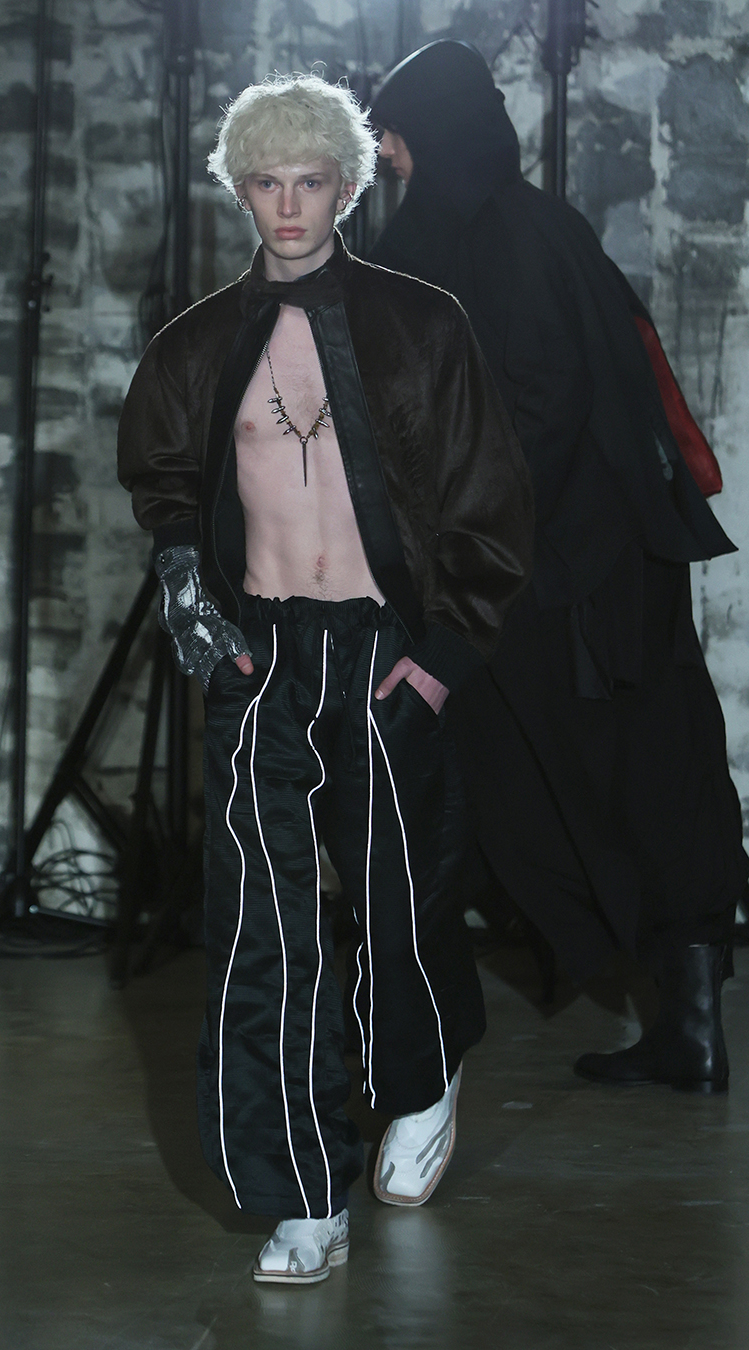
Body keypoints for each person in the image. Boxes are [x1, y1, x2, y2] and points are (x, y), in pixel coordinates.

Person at [117, 73, 532, 1283]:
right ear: (240, 190)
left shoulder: (424, 324)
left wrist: (443, 659)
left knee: (402, 898)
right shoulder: (196, 344)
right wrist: (201, 617)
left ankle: (422, 1073)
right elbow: (164, 492)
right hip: (263, 660)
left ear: (347, 188)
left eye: (310, 181)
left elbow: (489, 496)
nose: (289, 205)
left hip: (385, 650)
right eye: (267, 182)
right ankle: (303, 1191)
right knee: (264, 929)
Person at [370, 40, 748, 1094]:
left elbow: (543, 404)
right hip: (590, 566)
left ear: (435, 133)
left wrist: (455, 529)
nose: (387, 155)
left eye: (395, 134)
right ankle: (690, 1030)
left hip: (566, 578)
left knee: (599, 781)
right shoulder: (522, 225)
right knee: (647, 778)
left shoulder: (506, 237)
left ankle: (685, 1028)